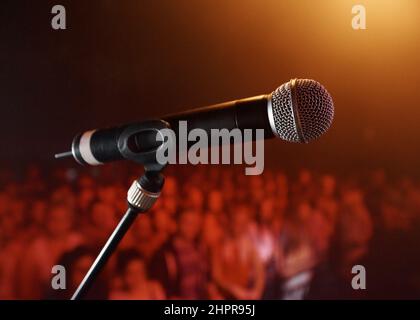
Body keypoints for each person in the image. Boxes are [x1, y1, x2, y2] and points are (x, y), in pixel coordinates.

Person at [149, 210, 208, 299]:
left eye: (195, 224)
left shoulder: (199, 249)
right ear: (177, 223)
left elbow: (205, 278)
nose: (192, 227)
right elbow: (159, 287)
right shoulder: (165, 253)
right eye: (187, 223)